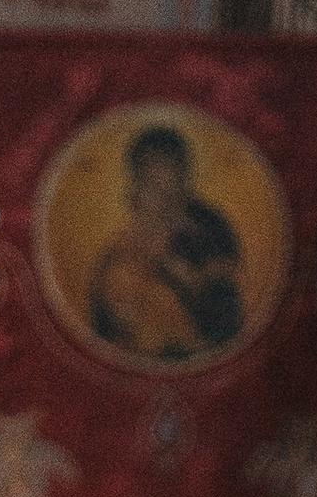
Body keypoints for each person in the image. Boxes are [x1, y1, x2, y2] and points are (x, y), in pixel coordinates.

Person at [85, 120, 244, 362]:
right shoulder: (121, 247)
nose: (159, 200)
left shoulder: (209, 229)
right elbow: (103, 316)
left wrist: (182, 275)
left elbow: (223, 310)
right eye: (150, 186)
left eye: (167, 187)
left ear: (184, 177)